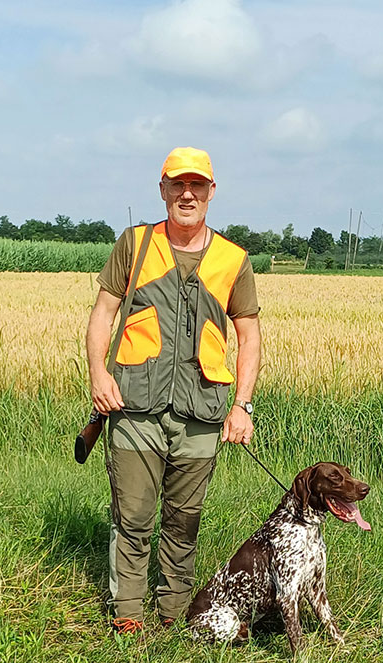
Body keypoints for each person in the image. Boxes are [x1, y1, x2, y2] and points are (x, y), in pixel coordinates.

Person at [85, 147, 262, 634]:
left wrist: (242, 406)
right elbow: (104, 312)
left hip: (201, 413)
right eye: (177, 185)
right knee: (133, 518)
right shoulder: (135, 244)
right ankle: (129, 616)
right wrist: (99, 375)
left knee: (184, 523)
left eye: (197, 185)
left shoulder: (233, 259)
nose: (187, 194)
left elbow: (249, 336)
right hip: (133, 407)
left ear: (210, 191)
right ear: (162, 189)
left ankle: (173, 614)